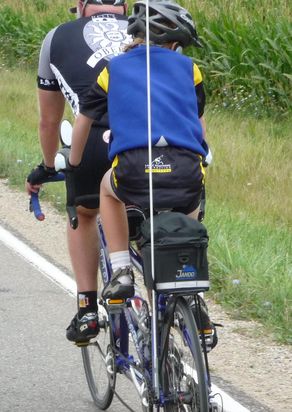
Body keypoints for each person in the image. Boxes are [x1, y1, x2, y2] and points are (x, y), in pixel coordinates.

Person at [68, 0, 208, 302]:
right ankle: (191, 286)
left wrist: (74, 162)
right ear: (175, 44)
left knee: (107, 190)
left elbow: (84, 121)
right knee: (193, 193)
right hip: (185, 169)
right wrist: (204, 154)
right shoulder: (190, 69)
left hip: (133, 170)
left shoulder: (114, 69)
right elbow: (198, 123)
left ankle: (121, 271)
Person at [26, 0, 130, 346]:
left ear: (81, 6)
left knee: (84, 214)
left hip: (95, 143)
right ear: (124, 5)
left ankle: (87, 309)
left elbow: (49, 120)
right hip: (156, 145)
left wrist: (47, 164)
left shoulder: (56, 37)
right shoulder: (149, 30)